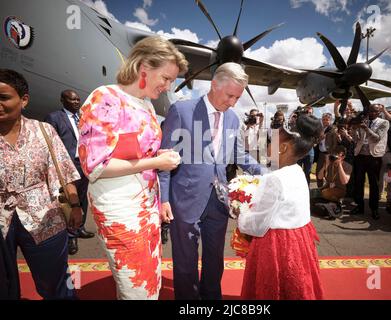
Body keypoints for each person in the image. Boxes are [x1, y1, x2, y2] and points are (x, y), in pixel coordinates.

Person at [78, 36, 188, 300]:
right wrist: (156, 162)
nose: (168, 86)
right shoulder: (104, 98)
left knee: (150, 283)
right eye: (165, 78)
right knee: (136, 288)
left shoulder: (147, 106)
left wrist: (156, 155)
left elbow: (136, 153)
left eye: (172, 80)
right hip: (121, 211)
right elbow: (95, 165)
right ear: (143, 68)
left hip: (147, 208)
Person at [158, 62, 260, 300]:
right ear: (214, 84)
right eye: (230, 95)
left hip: (219, 199)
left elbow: (239, 154)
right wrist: (163, 199)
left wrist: (267, 172)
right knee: (186, 260)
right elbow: (165, 158)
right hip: (185, 199)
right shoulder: (182, 110)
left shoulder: (233, 118)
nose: (233, 102)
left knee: (215, 258)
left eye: (237, 97)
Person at [0, 69, 82, 299]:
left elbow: (64, 171)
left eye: (4, 98)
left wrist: (75, 205)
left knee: (56, 283)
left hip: (44, 218)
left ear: (23, 100)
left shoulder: (43, 130)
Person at [238, 114, 324, 300]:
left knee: (274, 287)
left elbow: (257, 225)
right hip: (299, 240)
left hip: (276, 245)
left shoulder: (274, 179)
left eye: (271, 141)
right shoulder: (298, 171)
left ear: (283, 148)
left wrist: (240, 212)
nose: (267, 145)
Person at [45, 90, 95, 256]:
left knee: (82, 199)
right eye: (72, 99)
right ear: (62, 100)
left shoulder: (83, 117)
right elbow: (50, 144)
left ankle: (80, 228)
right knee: (69, 200)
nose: (76, 102)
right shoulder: (54, 118)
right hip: (67, 165)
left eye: (78, 99)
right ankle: (71, 235)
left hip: (83, 164)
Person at [350, 104, 389, 219]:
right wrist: (354, 129)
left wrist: (366, 128)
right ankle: (359, 206)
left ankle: (374, 209)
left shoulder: (384, 123)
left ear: (379, 112)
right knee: (358, 182)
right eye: (370, 111)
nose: (371, 113)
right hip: (360, 155)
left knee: (374, 184)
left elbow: (377, 138)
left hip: (374, 157)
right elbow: (356, 139)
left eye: (374, 111)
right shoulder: (364, 121)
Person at [316, 113, 338, 188]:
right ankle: (320, 189)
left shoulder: (333, 129)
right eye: (323, 119)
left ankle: (330, 191)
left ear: (330, 120)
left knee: (330, 173)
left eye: (327, 120)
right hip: (321, 154)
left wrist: (331, 154)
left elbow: (335, 143)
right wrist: (320, 138)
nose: (325, 121)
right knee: (319, 172)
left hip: (330, 154)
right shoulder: (319, 129)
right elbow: (317, 142)